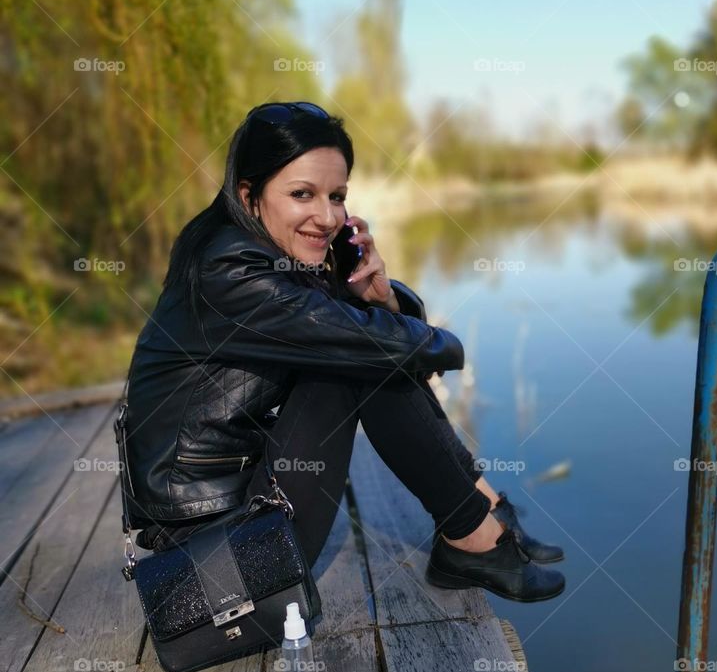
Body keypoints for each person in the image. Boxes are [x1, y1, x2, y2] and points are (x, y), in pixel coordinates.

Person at [123, 100, 565, 603]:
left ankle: (480, 514)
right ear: (249, 196)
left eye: (337, 196)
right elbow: (370, 346)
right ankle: (473, 534)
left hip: (237, 518)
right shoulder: (230, 270)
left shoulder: (261, 258)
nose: (328, 217)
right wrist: (447, 344)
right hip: (213, 557)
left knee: (362, 351)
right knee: (358, 362)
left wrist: (379, 298)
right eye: (302, 194)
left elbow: (360, 335)